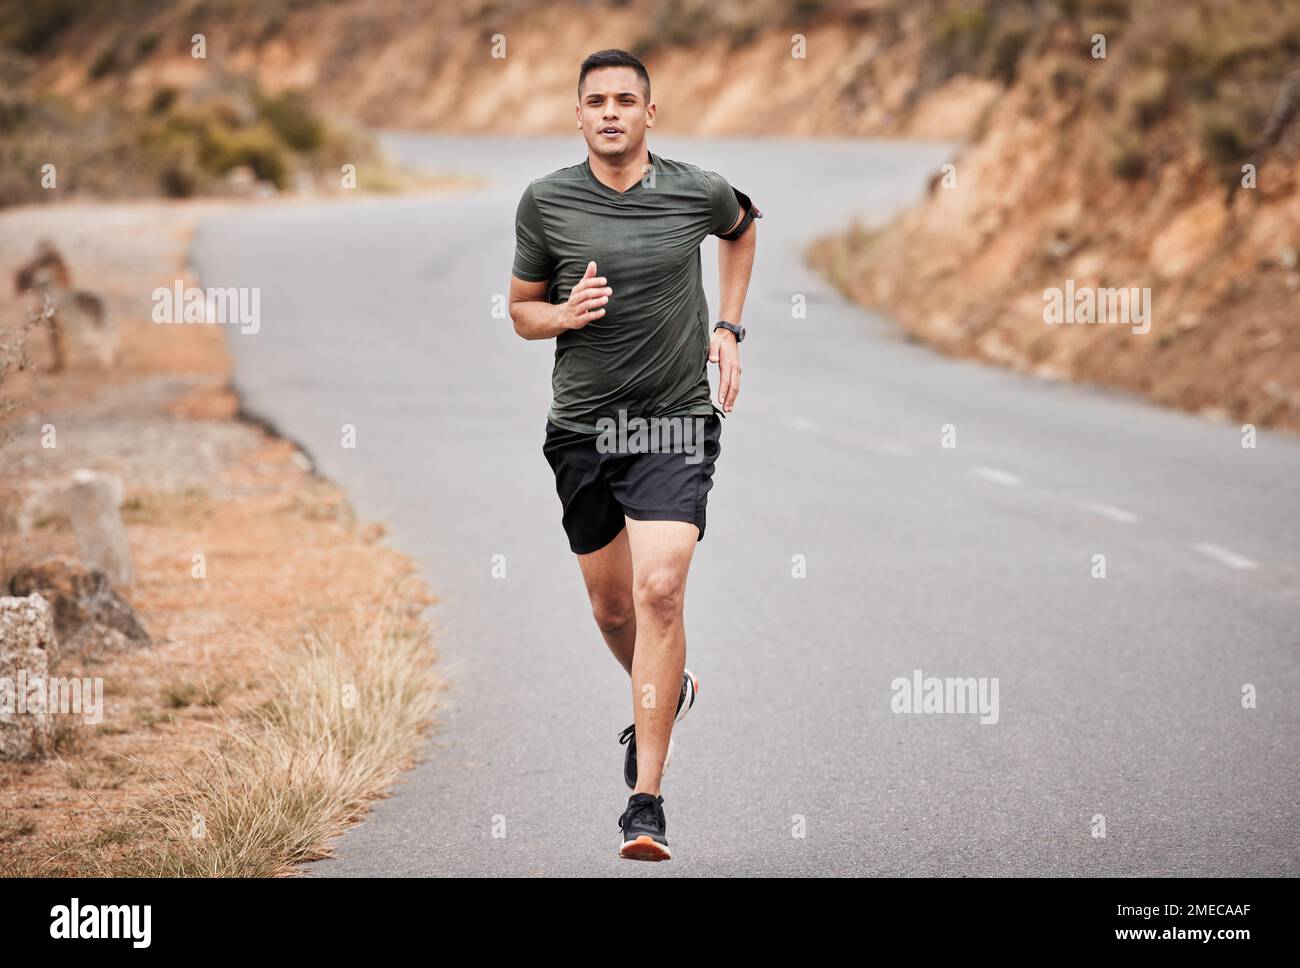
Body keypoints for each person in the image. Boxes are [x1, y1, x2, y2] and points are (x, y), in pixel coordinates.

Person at [508, 48, 760, 861]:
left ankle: (645, 802)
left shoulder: (695, 189)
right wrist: (565, 315)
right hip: (582, 428)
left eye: (625, 100)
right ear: (577, 115)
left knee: (659, 591)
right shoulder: (545, 203)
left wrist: (728, 326)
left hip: (672, 421)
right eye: (595, 101)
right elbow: (520, 312)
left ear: (651, 114)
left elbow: (743, 228)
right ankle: (667, 689)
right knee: (613, 610)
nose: (610, 112)